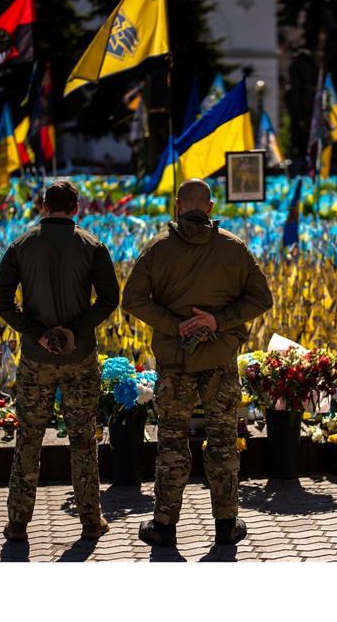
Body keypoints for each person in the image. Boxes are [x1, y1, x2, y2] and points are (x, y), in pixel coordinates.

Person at [123, 178, 273, 547]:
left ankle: (164, 525)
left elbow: (133, 300)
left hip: (175, 363)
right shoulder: (232, 248)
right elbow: (261, 298)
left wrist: (176, 325)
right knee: (222, 440)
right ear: (208, 208)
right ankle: (226, 525)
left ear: (177, 205)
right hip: (219, 359)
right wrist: (217, 321)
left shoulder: (157, 249)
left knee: (172, 443)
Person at [0, 180, 120, 542]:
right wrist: (76, 330)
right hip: (78, 356)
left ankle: (18, 522)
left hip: (36, 358)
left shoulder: (21, 246)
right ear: (76, 208)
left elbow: (0, 300)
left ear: (44, 206)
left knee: (28, 437)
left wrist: (36, 332)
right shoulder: (92, 246)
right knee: (82, 439)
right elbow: (110, 298)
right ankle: (91, 521)